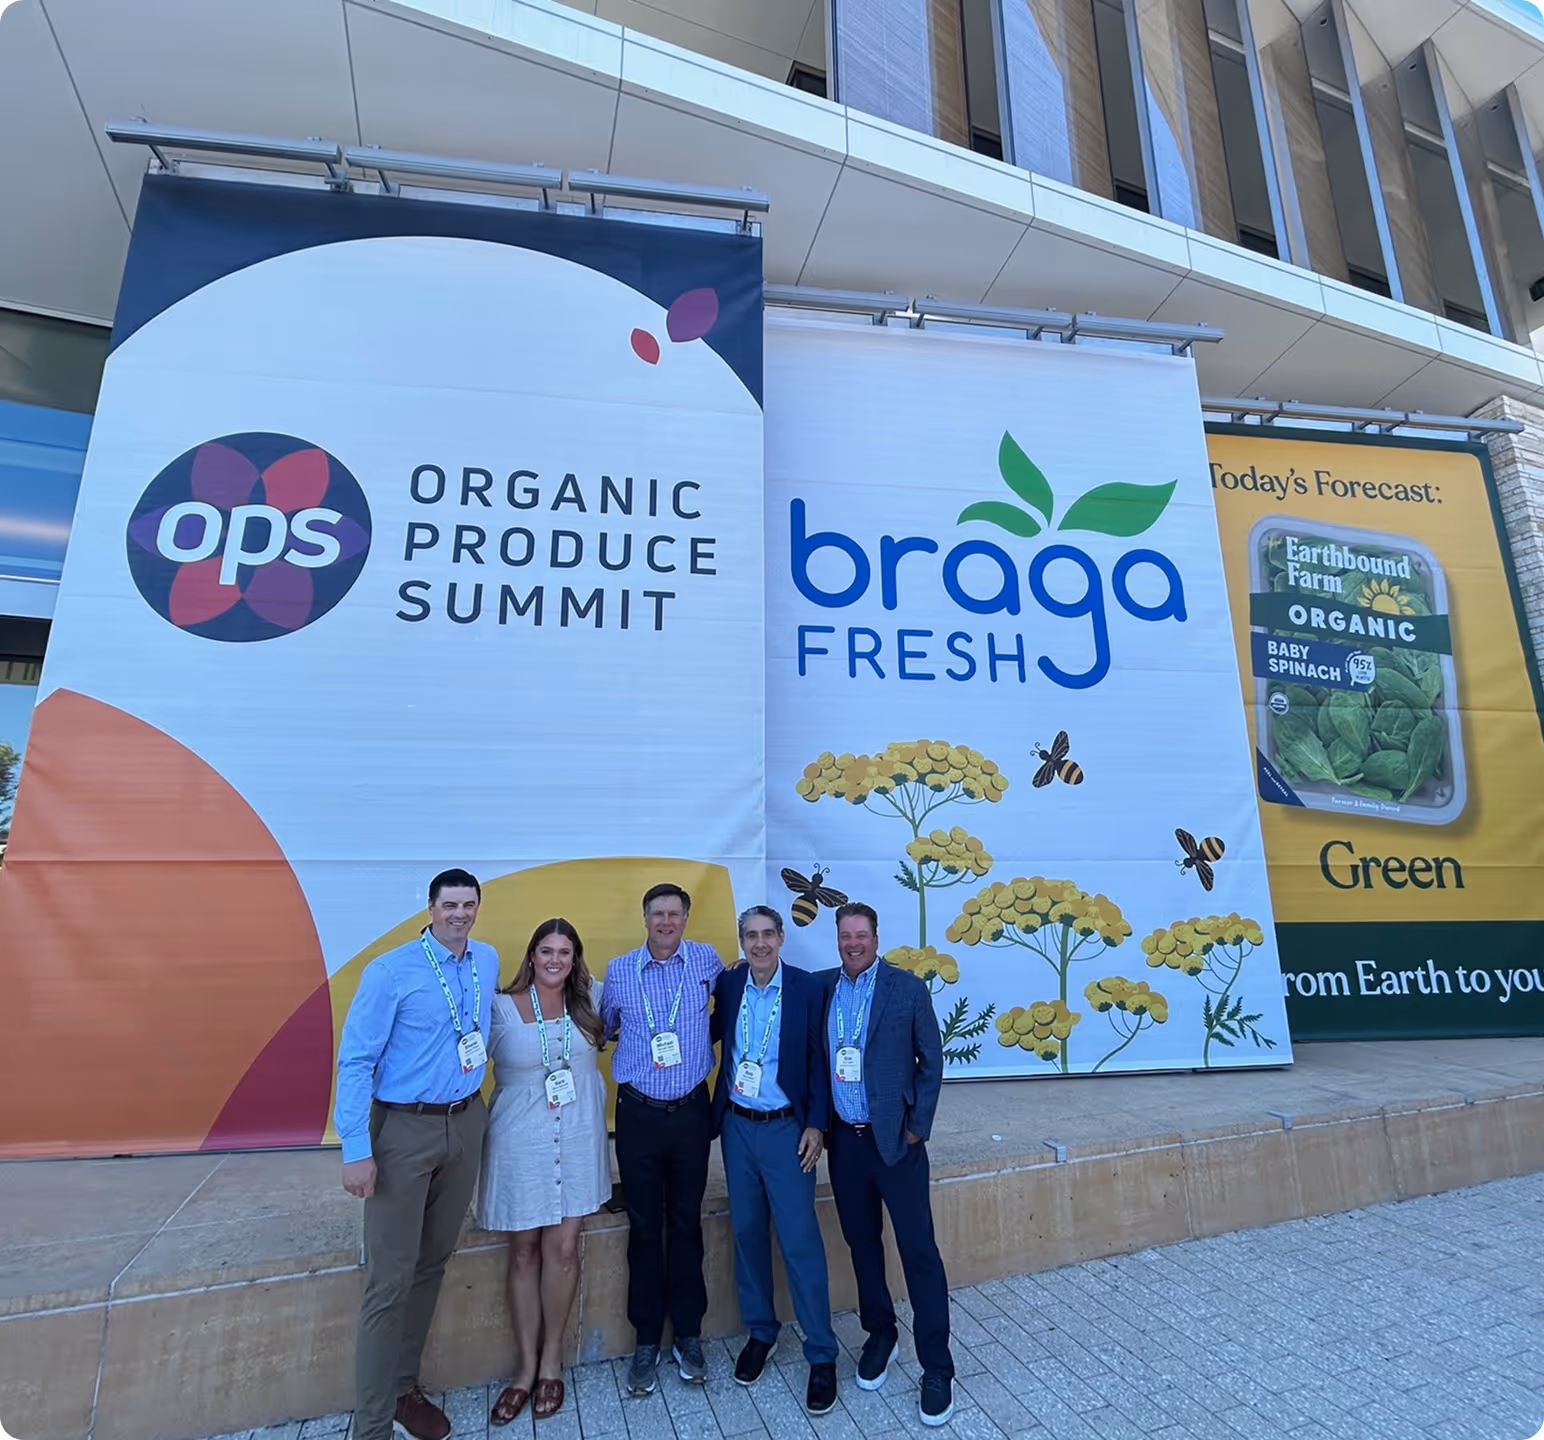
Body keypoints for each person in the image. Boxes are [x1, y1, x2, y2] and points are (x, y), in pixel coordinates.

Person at [335, 869, 499, 1440]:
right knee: (389, 1282)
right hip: (403, 1130)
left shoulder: (487, 961)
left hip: (464, 1122)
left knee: (432, 1264)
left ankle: (404, 1390)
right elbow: (356, 1061)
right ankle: (372, 1426)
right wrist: (356, 1149)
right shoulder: (390, 971)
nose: (459, 913)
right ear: (429, 908)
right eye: (449, 904)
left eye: (468, 904)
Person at [821, 901, 955, 1428]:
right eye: (845, 935)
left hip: (897, 1143)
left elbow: (932, 1059)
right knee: (861, 1244)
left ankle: (937, 1367)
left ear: (876, 939)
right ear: (837, 939)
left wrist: (918, 1124)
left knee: (919, 1250)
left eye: (861, 935)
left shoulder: (906, 988)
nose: (853, 943)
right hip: (845, 1144)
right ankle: (881, 1333)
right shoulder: (823, 988)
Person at [478, 918, 610, 1426]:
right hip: (519, 1141)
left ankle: (552, 1360)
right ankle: (524, 1368)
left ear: (576, 958)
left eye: (565, 952)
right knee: (524, 1250)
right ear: (531, 955)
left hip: (576, 1138)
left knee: (562, 1247)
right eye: (546, 950)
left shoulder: (593, 999)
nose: (555, 959)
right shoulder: (498, 1008)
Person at [711, 905, 838, 1415]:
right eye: (750, 935)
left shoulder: (807, 989)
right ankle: (761, 1333)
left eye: (767, 934)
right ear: (740, 941)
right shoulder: (729, 985)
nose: (759, 944)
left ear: (782, 938)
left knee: (799, 1240)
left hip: (788, 1131)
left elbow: (820, 1061)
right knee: (745, 1233)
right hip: (738, 1127)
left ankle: (822, 1353)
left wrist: (817, 1124)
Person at [598, 882, 722, 1396]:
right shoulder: (621, 971)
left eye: (674, 914)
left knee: (686, 1223)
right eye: (657, 914)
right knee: (645, 1226)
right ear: (645, 919)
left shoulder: (708, 962)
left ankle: (689, 1334)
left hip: (692, 1111)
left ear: (686, 919)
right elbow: (605, 1027)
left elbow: (731, 1004)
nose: (666, 922)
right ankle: (647, 1338)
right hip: (640, 1115)